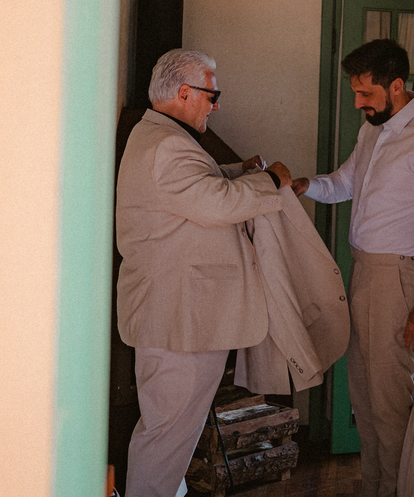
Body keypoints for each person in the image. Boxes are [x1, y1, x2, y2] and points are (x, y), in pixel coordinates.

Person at [116, 49, 292, 497]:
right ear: (184, 93)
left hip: (179, 316)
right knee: (167, 435)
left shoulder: (161, 137)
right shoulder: (167, 145)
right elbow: (215, 203)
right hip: (179, 320)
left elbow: (195, 185)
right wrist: (271, 181)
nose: (215, 106)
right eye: (212, 96)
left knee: (172, 433)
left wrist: (237, 170)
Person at [293, 38, 414, 497]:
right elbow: (344, 183)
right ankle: (374, 488)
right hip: (362, 273)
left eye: (366, 93)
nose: (359, 103)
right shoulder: (372, 130)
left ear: (396, 86)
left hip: (399, 280)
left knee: (389, 405)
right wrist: (303, 186)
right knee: (364, 397)